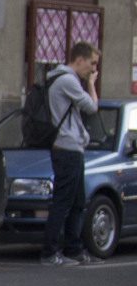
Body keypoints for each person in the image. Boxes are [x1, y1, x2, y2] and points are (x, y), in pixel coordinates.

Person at [41, 41, 102, 266]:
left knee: (77, 201)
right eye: (92, 63)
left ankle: (74, 248)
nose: (94, 70)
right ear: (80, 60)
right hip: (66, 148)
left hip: (72, 147)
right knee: (64, 202)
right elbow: (92, 107)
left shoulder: (63, 79)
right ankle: (49, 252)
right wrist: (92, 84)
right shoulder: (67, 80)